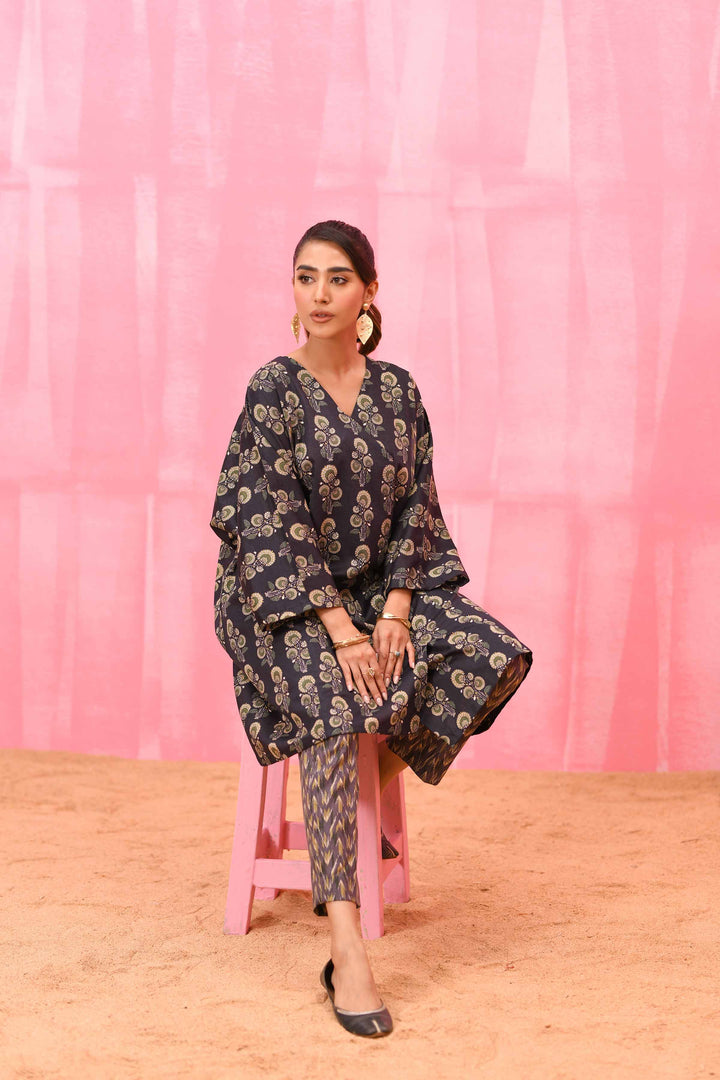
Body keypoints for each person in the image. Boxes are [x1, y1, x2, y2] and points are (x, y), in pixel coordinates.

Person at [209, 219, 533, 1038]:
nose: (319, 295)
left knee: (490, 653)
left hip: (375, 591)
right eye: (305, 277)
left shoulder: (398, 392)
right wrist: (341, 630)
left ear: (369, 291)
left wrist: (393, 608)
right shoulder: (273, 389)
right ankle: (346, 948)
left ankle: (363, 794)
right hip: (280, 599)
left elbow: (418, 507)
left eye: (338, 278)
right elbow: (270, 519)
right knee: (332, 708)